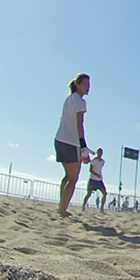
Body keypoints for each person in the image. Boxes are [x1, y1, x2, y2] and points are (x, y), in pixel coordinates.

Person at [54, 73, 90, 217]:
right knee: (73, 178)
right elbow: (79, 124)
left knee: (67, 176)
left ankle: (61, 205)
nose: (88, 88)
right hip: (70, 142)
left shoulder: (68, 99)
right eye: (86, 84)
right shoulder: (80, 102)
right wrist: (83, 145)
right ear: (78, 85)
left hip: (59, 140)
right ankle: (62, 209)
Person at [81, 148, 107, 213]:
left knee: (105, 193)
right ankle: (83, 206)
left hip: (99, 180)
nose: (100, 154)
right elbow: (90, 170)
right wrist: (96, 174)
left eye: (101, 152)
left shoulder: (102, 162)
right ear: (97, 153)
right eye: (99, 152)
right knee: (89, 194)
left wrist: (99, 175)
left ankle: (102, 208)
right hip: (92, 179)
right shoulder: (93, 161)